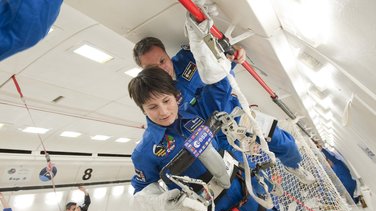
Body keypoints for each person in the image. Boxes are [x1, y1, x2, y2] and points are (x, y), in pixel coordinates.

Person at [128, 64, 303, 211]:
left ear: (175, 97)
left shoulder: (199, 112)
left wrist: (224, 57)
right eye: (152, 107)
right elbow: (142, 189)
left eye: (166, 101)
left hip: (246, 199)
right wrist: (160, 202)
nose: (163, 111)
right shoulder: (145, 151)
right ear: (143, 109)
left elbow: (219, 85)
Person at [132, 23, 315, 186]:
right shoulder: (155, 97)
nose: (161, 68)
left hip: (232, 111)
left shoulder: (190, 56)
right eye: (152, 68)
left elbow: (220, 62)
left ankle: (293, 165)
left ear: (167, 55)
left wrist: (234, 55)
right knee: (244, 173)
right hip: (209, 133)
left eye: (162, 60)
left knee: (281, 140)